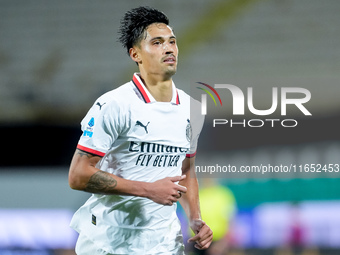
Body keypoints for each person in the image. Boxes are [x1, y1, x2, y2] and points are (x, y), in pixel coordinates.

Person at [68, 6, 213, 255]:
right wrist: (148, 190)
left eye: (172, 42)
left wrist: (194, 218)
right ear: (135, 54)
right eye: (157, 43)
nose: (169, 48)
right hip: (109, 243)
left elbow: (186, 171)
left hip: (164, 243)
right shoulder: (115, 105)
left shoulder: (193, 109)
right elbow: (78, 175)